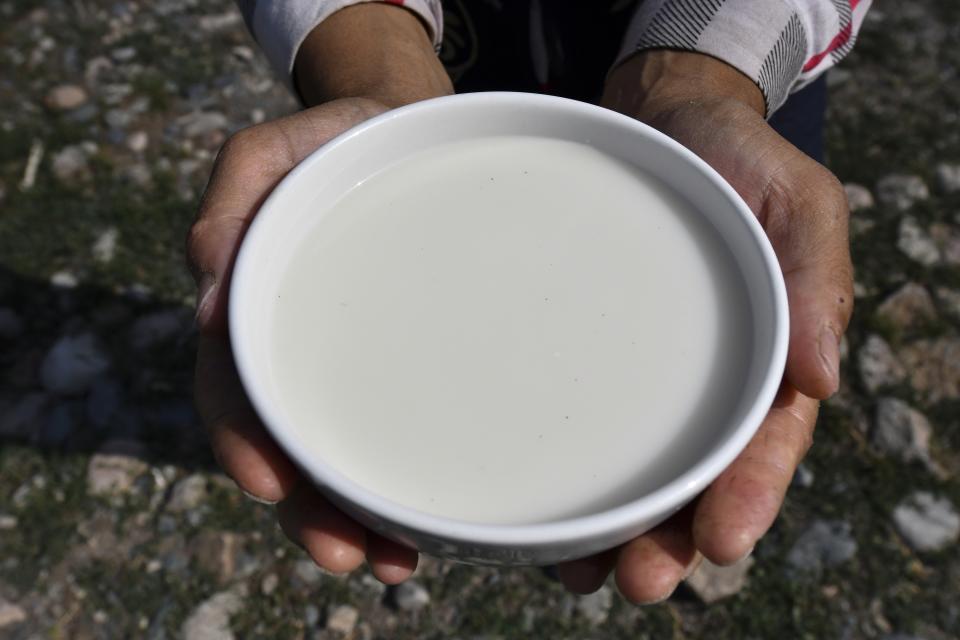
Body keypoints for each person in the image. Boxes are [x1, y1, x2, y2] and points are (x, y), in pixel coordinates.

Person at [188, 0, 867, 604]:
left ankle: (578, 524)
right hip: (466, 55)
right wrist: (371, 62)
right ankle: (552, 531)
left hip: (731, 90)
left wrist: (700, 73)